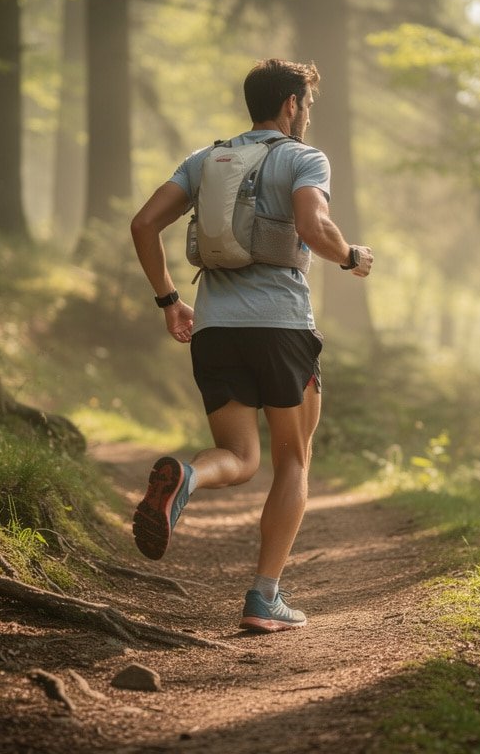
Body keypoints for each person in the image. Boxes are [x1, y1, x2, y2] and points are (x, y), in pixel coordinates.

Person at [128, 58, 373, 633]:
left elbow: (143, 225)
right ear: (291, 104)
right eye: (306, 105)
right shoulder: (303, 157)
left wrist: (170, 302)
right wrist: (353, 257)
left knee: (238, 459)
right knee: (292, 458)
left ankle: (187, 478)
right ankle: (264, 597)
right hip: (282, 326)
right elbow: (314, 228)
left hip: (215, 328)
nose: (307, 115)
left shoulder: (205, 160)